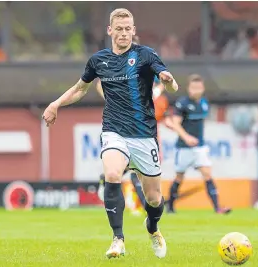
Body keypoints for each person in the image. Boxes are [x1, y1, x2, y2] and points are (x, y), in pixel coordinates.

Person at [42, 8, 179, 259]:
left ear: (133, 31)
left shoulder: (145, 55)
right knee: (113, 174)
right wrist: (55, 104)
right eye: (119, 29)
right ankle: (118, 239)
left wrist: (169, 81)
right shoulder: (98, 61)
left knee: (154, 198)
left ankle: (153, 227)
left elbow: (169, 81)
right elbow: (79, 89)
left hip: (144, 134)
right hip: (114, 131)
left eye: (128, 29)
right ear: (110, 31)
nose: (124, 33)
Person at [96, 36, 172, 215]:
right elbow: (100, 83)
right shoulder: (116, 65)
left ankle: (147, 206)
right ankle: (141, 209)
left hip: (145, 131)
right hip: (121, 128)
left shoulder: (148, 65)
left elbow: (161, 89)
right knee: (127, 166)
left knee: (139, 171)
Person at [166, 74, 232, 214]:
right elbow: (176, 124)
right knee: (179, 177)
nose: (196, 90)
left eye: (199, 87)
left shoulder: (204, 103)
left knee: (207, 174)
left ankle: (217, 207)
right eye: (193, 87)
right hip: (183, 147)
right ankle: (170, 206)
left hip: (200, 147)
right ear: (189, 88)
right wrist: (187, 137)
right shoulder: (182, 103)